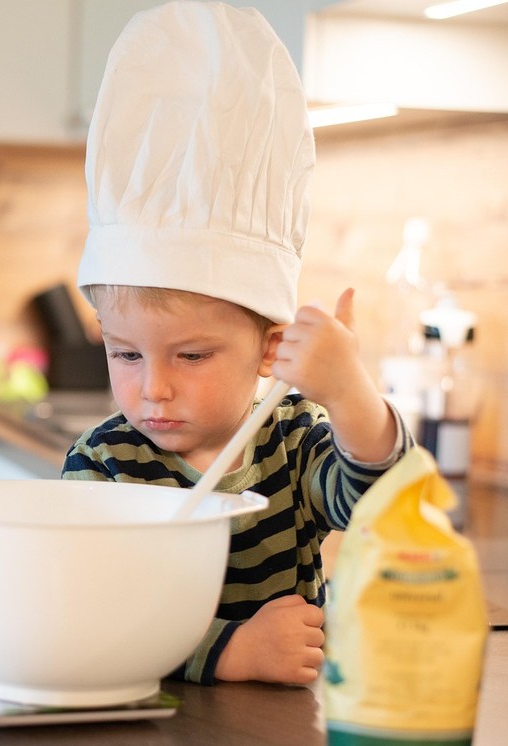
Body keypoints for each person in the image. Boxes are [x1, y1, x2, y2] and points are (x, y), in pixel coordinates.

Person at [61, 1, 413, 686]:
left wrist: (348, 392)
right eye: (125, 353)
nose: (152, 388)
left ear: (270, 348)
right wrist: (230, 654)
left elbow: (381, 502)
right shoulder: (104, 463)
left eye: (191, 356)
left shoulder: (292, 441)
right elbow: (90, 615)